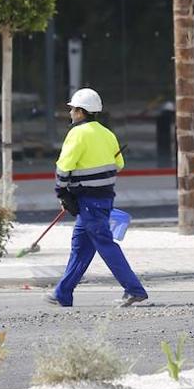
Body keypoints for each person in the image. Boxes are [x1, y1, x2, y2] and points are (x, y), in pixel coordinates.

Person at [46, 88, 148, 307]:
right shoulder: (107, 134)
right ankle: (62, 293)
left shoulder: (77, 133)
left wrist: (62, 193)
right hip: (102, 199)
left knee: (104, 243)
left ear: (82, 112)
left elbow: (64, 167)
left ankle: (134, 289)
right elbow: (119, 164)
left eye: (73, 109)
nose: (71, 113)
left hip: (88, 201)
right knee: (80, 247)